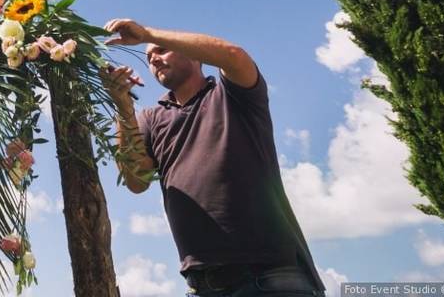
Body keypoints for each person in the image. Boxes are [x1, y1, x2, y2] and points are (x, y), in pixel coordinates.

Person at [101, 18, 326, 297]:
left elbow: (233, 55)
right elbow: (136, 181)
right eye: (148, 57)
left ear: (194, 55)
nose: (154, 59)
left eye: (161, 50)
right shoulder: (150, 117)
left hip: (269, 277)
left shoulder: (232, 94)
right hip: (201, 285)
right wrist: (123, 107)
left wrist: (147, 34)